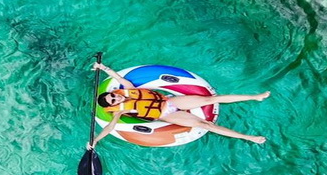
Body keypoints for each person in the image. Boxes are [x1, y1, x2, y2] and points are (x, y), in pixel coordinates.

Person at [88, 61, 269, 146]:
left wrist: (101, 67)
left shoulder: (127, 88)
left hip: (171, 101)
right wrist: (95, 140)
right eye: (113, 101)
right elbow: (110, 127)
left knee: (210, 99)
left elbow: (116, 75)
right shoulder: (119, 112)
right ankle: (249, 137)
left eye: (114, 96)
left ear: (114, 92)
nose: (117, 99)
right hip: (166, 115)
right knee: (205, 124)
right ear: (112, 105)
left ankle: (255, 96)